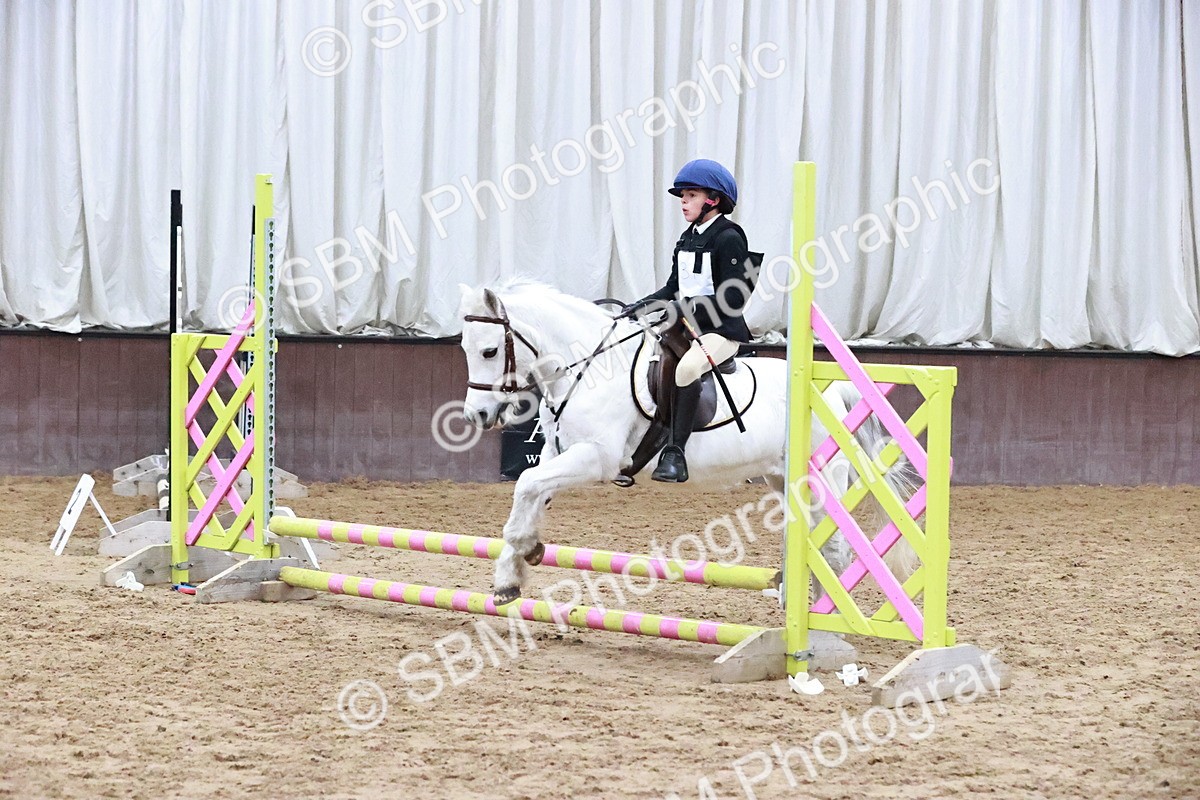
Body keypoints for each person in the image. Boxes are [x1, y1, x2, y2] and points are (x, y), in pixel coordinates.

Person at [622, 159, 758, 483]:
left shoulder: (729, 237)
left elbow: (735, 297)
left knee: (686, 369)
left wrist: (689, 305)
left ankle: (675, 453)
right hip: (685, 327)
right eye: (682, 196)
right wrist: (638, 307)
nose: (683, 201)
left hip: (720, 331)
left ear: (712, 200)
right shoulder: (687, 238)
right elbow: (672, 287)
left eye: (691, 195)